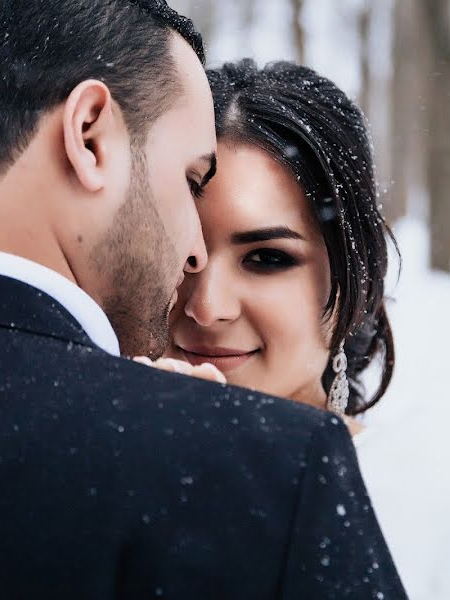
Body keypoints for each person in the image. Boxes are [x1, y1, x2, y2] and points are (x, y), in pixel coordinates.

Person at [0, 1, 407, 598]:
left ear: (352, 285)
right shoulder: (211, 473)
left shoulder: (319, 482)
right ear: (88, 137)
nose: (203, 296)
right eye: (189, 188)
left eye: (267, 258)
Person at [165, 60, 396, 434]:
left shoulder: (399, 486)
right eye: (180, 251)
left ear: (355, 277)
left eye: (266, 259)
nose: (207, 308)